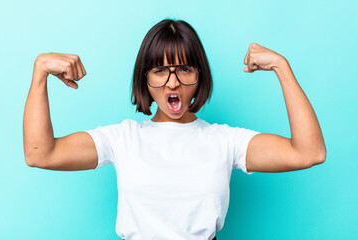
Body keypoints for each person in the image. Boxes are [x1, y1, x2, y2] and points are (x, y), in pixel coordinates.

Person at [23, 19, 326, 240]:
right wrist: (40, 73)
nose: (172, 82)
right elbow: (40, 155)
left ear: (199, 75)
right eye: (159, 71)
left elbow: (309, 152)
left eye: (183, 69)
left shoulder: (225, 140)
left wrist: (281, 67)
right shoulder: (122, 139)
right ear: (145, 79)